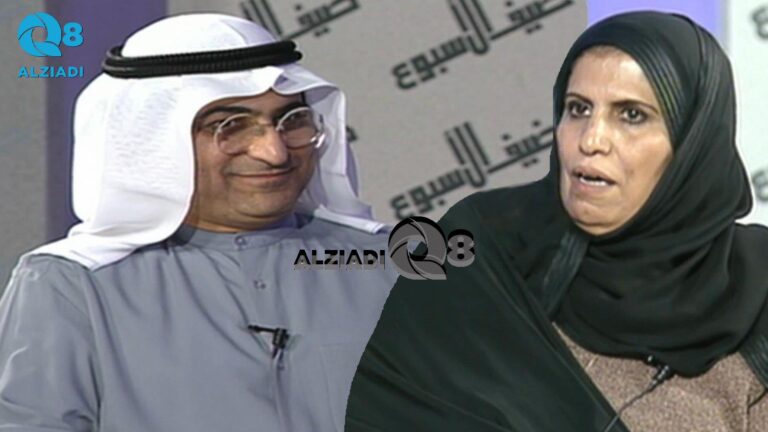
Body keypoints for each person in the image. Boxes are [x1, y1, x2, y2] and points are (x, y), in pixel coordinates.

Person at [345, 11, 768, 432]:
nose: (591, 139)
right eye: (578, 108)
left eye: (631, 115)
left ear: (695, 143)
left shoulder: (758, 302)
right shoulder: (480, 250)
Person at [0, 13, 396, 432]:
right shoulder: (73, 286)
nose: (274, 152)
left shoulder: (390, 266)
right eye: (231, 127)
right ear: (153, 143)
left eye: (291, 121)